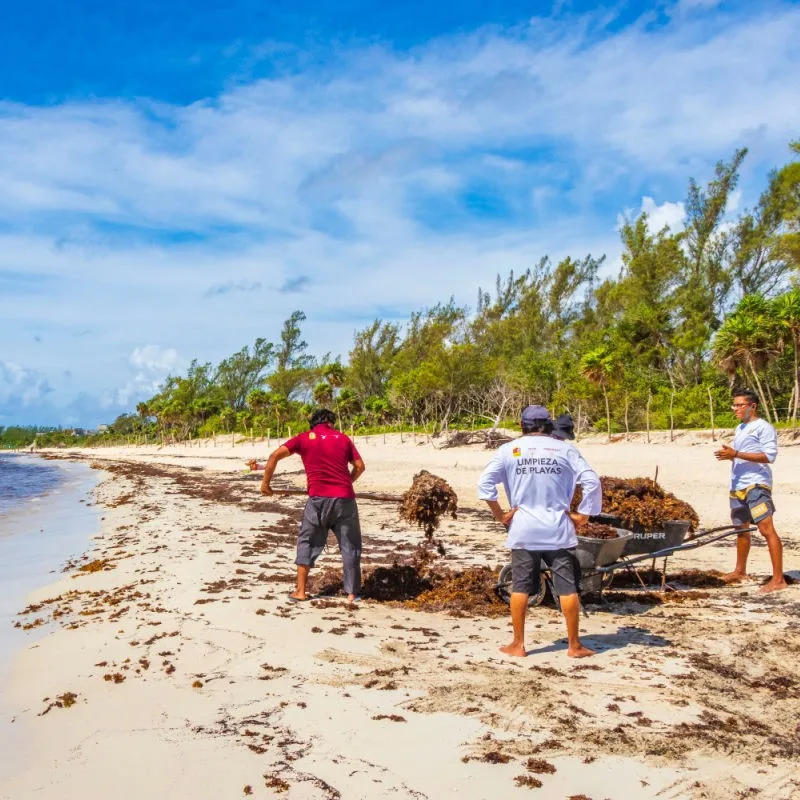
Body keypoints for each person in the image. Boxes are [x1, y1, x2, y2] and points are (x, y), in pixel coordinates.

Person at [478, 405, 602, 658]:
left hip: (523, 529)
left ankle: (518, 645)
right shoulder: (565, 449)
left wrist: (500, 515)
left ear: (522, 426)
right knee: (567, 588)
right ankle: (574, 645)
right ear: (548, 425)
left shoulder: (507, 451)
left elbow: (484, 484)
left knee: (521, 587)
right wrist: (584, 515)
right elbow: (592, 481)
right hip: (558, 529)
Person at [260, 408, 366, 603]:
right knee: (350, 545)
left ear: (313, 423)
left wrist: (265, 484)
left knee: (307, 541)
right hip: (345, 500)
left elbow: (274, 456)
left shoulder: (303, 438)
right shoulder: (342, 438)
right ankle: (352, 593)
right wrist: (346, 484)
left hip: (317, 499)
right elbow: (360, 466)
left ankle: (300, 591)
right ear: (330, 422)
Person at [714, 388, 787, 593]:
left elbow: (769, 456)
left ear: (752, 406)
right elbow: (742, 454)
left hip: (756, 485)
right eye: (734, 405)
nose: (735, 409)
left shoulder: (763, 427)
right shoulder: (740, 428)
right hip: (737, 485)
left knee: (766, 528)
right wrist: (731, 456)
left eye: (739, 405)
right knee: (741, 530)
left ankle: (778, 579)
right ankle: (740, 571)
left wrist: (736, 453)